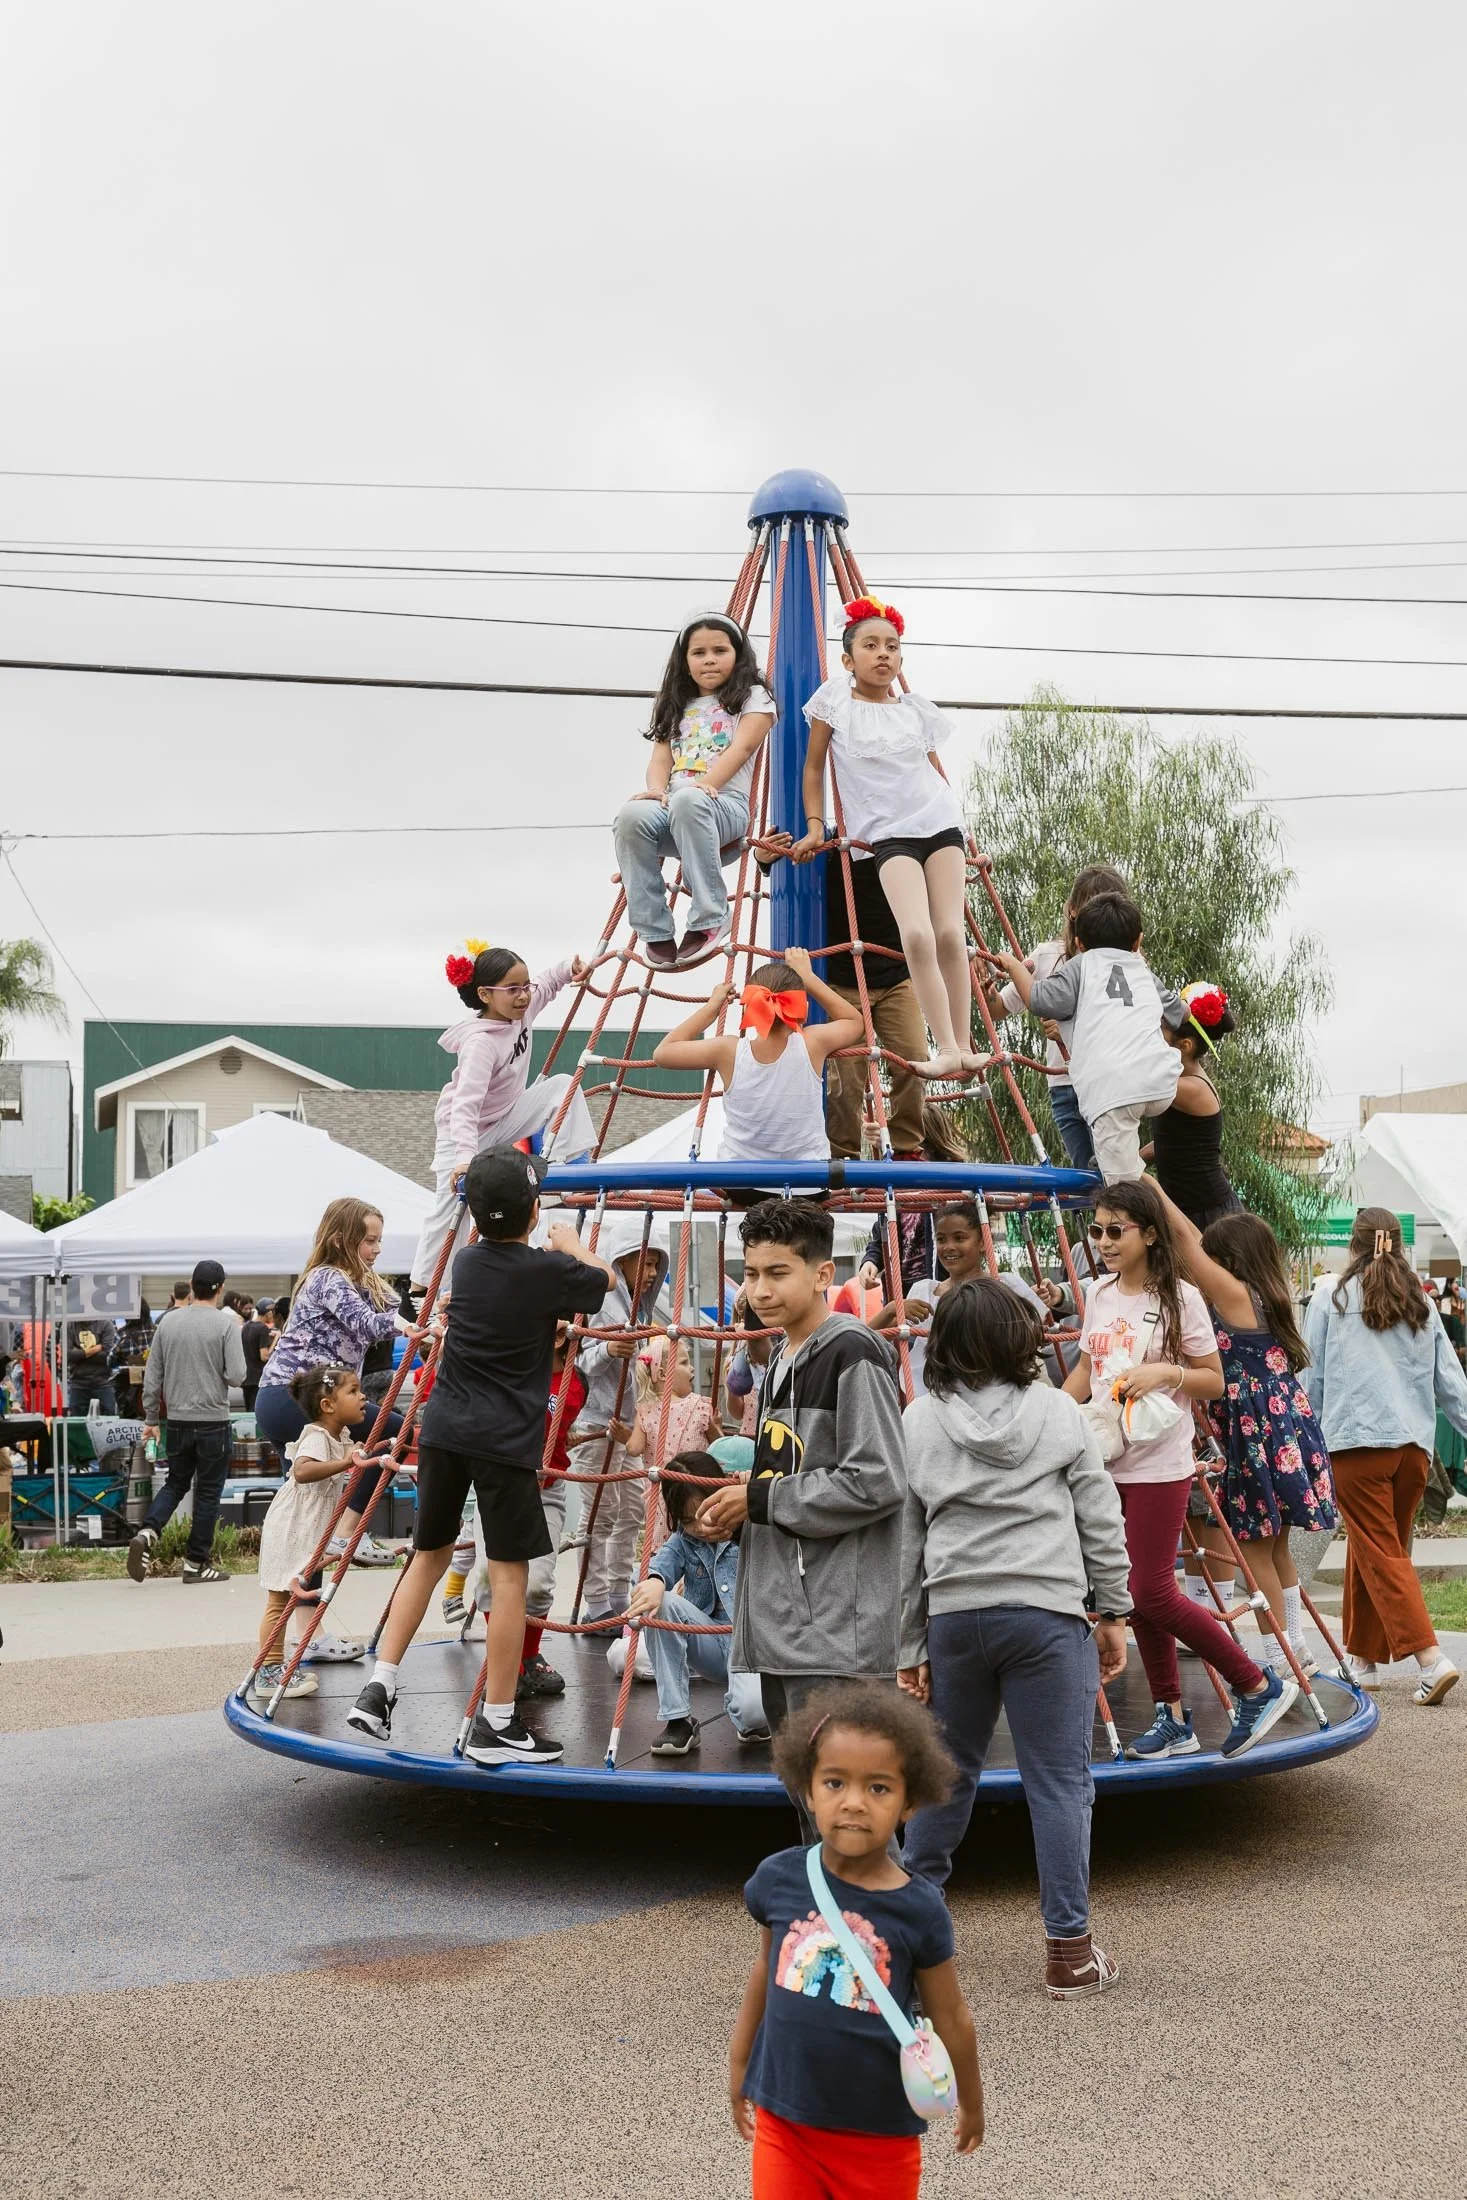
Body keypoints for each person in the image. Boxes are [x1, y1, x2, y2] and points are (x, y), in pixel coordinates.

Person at [899, 1279, 1130, 1997]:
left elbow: (904, 1541)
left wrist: (907, 1643)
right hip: (1044, 1612)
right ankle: (1069, 1952)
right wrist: (1113, 1608)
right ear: (1019, 1337)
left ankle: (911, 1936)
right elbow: (1098, 1515)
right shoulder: (1058, 1413)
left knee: (945, 1775)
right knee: (1058, 1782)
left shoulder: (918, 1422)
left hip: (955, 1616)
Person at [348, 1148, 616, 1762]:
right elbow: (600, 1283)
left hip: (442, 1430)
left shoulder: (467, 1264)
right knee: (509, 1576)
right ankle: (497, 1721)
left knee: (429, 1556)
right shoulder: (547, 1270)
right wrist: (572, 1243)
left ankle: (378, 1685)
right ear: (533, 1210)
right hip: (503, 1442)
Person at [1062, 1179, 1297, 1758]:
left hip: (1159, 1462)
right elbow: (1087, 1374)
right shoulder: (1100, 1293)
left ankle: (1257, 1683)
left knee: (1150, 1587)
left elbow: (1214, 1380)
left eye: (1116, 1230)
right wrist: (1047, 1411)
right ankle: (1172, 1716)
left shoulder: (1180, 1299)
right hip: (1106, 1460)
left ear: (1147, 1234)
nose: (1105, 1241)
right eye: (1097, 1230)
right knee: (1129, 1592)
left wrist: (1165, 1374)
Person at [695, 1200, 906, 1835]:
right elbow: (794, 1475)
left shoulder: (852, 1353)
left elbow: (879, 1479)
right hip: (794, 1620)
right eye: (751, 1272)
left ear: (824, 1273)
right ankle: (844, 1931)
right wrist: (744, 1505)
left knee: (849, 1813)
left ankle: (874, 1933)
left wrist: (758, 1501)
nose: (759, 1289)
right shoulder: (786, 1357)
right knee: (818, 1806)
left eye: (777, 1272)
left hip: (837, 1626)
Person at [730, 1682, 984, 2193]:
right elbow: (765, 1970)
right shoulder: (779, 1878)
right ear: (807, 1789)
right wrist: (740, 2061)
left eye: (879, 1788)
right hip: (785, 2123)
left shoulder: (919, 1908)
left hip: (880, 2140)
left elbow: (950, 2016)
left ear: (910, 1803)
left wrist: (972, 2103)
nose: (854, 1803)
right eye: (835, 1783)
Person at [791, 597, 982, 1080]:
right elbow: (813, 767)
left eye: (892, 647)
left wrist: (969, 836)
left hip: (940, 822)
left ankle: (963, 1044)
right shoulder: (834, 700)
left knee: (950, 933)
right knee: (916, 933)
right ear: (848, 659)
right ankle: (943, 1047)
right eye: (871, 646)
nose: (883, 655)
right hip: (887, 832)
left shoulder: (916, 710)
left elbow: (935, 771)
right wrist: (816, 825)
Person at [1155, 1189, 1335, 1672]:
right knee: (1277, 1550)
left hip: (1257, 1435)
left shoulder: (1235, 1296)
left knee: (1254, 1548)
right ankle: (1296, 1643)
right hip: (1286, 1431)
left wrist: (1147, 1185)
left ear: (1229, 1261)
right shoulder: (1266, 1295)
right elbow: (1194, 1240)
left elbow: (1187, 1244)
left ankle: (1279, 1656)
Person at [1302, 1208, 1465, 1703]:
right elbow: (1451, 1385)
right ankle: (1362, 1660)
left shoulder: (1329, 1294)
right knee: (1375, 1552)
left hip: (1357, 1446)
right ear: (1399, 1245)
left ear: (1354, 1246)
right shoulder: (1421, 1300)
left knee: (1380, 1554)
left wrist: (1306, 1445)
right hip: (1413, 1451)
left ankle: (1430, 1659)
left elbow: (1314, 1380)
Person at [410, 941, 596, 1292]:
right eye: (513, 989)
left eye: (524, 987)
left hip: (505, 1116)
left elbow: (545, 985)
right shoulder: (481, 1044)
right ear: (484, 994)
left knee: (562, 1087)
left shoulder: (520, 1009)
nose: (523, 995)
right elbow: (464, 1106)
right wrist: (465, 1159)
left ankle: (563, 1166)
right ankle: (422, 1290)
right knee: (452, 1210)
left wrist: (566, 970)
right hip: (462, 1134)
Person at [612, 611, 777, 969]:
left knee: (689, 798)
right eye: (699, 653)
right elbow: (660, 761)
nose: (709, 659)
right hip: (677, 811)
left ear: (738, 656)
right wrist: (656, 791)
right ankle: (653, 929)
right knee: (631, 815)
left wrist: (706, 785)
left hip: (725, 808)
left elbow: (742, 748)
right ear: (685, 662)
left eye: (720, 650)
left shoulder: (753, 697)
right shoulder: (677, 704)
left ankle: (710, 916)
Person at [255, 1198, 415, 1567]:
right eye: (369, 1241)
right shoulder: (329, 1277)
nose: (376, 1250)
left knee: (309, 1514)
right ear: (343, 1239)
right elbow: (366, 1323)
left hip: (285, 1396)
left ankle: (301, 1615)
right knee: (395, 1430)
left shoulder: (363, 1282)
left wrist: (436, 1308)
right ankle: (347, 1535)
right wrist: (407, 1324)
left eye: (379, 1242)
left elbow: (403, 1308)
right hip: (296, 1396)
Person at [996, 890, 1186, 1185]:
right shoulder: (1143, 970)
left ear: (1079, 943)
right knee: (1121, 1160)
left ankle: (1147, 1208)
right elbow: (1179, 1013)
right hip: (1163, 1083)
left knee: (1121, 1187)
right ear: (1138, 941)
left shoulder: (1080, 966)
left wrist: (1013, 967)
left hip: (1114, 1092)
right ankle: (1119, 1158)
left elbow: (1038, 999)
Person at [651, 949, 863, 1195]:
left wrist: (712, 1008)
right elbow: (855, 1022)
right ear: (802, 1007)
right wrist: (809, 977)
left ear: (748, 1009)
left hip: (741, 1182)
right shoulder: (812, 1043)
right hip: (807, 1185)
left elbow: (663, 1053)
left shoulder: (727, 1050)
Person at [463, 1319, 587, 1700]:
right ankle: (510, 1663)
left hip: (546, 1488)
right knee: (489, 1578)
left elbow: (556, 1418)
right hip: (499, 1486)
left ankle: (529, 1656)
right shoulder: (514, 1370)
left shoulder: (573, 1382)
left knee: (537, 1581)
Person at [986, 863, 1130, 1173]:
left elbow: (1124, 1023)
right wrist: (985, 991)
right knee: (1085, 1176)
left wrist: (1066, 1025)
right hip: (1064, 1085)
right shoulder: (1048, 956)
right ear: (1072, 909)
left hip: (1106, 1082)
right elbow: (1000, 1008)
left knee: (1113, 1173)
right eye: (1094, 906)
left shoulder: (1124, 965)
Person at [623, 1450, 768, 1756]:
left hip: (752, 1646)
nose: (701, 1527)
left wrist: (752, 1492)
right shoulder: (685, 1541)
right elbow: (661, 1566)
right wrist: (654, 1583)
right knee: (657, 1603)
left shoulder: (752, 1528)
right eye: (689, 1520)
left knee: (752, 1715)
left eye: (706, 1512)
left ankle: (749, 1704)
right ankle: (679, 1721)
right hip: (710, 1644)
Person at [568, 1215, 670, 1629]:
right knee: (598, 1515)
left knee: (631, 1512)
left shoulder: (639, 1305)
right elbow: (579, 1360)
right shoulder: (603, 1300)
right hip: (596, 1422)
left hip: (629, 1424)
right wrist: (611, 1351)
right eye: (643, 1263)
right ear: (622, 1259)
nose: (649, 1274)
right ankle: (596, 1602)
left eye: (655, 1266)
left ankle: (615, 1593)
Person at [252, 1365, 369, 1703]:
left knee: (288, 1598)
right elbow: (302, 1472)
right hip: (292, 1526)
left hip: (306, 1528)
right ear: (327, 1406)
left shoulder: (338, 1436)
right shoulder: (316, 1434)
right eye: (353, 1391)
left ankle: (275, 1669)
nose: (362, 1397)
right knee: (279, 1599)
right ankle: (269, 1672)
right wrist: (347, 1462)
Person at [128, 1260, 246, 1585]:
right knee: (207, 1493)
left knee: (175, 1483)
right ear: (220, 1288)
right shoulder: (225, 1326)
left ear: (191, 1287)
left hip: (177, 1421)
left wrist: (151, 1418)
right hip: (213, 1422)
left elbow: (152, 1378)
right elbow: (238, 1376)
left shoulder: (168, 1323)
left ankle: (150, 1529)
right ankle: (195, 1562)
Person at [1145, 983, 1243, 1228]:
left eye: (1161, 1031)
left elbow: (1132, 1079)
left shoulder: (1192, 1089)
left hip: (1208, 1215)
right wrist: (1135, 1157)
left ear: (1184, 1046)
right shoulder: (1183, 1083)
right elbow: (1173, 1142)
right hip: (1190, 1209)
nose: (1153, 1036)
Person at [855, 1107, 971, 1297]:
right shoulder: (898, 1185)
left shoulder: (951, 1179)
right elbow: (883, 1233)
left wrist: (889, 1140)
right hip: (903, 1288)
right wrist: (871, 1261)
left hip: (940, 1285)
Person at [65, 1317, 119, 1417]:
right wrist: (99, 1347)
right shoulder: (69, 1325)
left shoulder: (106, 1323)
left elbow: (107, 1354)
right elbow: (68, 1355)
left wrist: (79, 1353)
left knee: (110, 1420)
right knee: (76, 1424)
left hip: (103, 1382)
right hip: (78, 1383)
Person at [239, 1300, 275, 1414]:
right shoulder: (262, 1329)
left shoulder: (246, 1326)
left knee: (248, 1412)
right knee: (255, 1415)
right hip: (258, 1378)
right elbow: (264, 1356)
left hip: (246, 1377)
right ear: (268, 1313)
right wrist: (276, 1340)